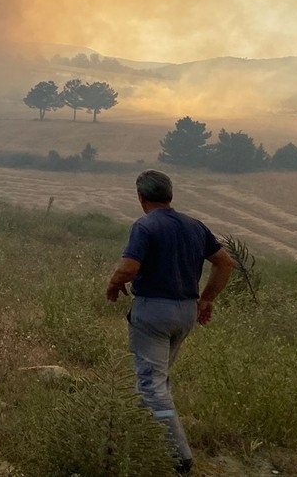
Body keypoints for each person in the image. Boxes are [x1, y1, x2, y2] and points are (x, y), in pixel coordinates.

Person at [105, 169, 233, 474]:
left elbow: (128, 268)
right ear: (169, 195)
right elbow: (224, 262)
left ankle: (180, 456)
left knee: (151, 383)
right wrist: (207, 298)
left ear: (141, 197)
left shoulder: (145, 226)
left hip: (153, 314)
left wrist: (113, 283)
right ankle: (139, 433)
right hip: (185, 313)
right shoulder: (194, 226)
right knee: (157, 379)